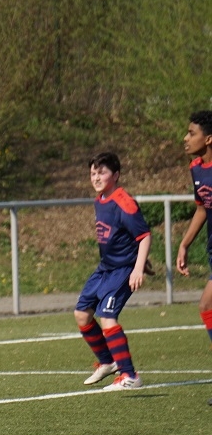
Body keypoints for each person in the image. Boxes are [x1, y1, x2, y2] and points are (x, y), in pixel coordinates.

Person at [76, 152, 150, 391]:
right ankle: (108, 361)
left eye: (102, 173)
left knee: (107, 317)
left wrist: (138, 267)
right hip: (105, 268)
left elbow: (144, 235)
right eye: (93, 173)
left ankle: (130, 376)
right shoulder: (100, 200)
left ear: (116, 175)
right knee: (82, 315)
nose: (96, 178)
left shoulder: (124, 202)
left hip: (122, 270)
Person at [175, 110, 212, 405]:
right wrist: (185, 244)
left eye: (191, 133)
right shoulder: (197, 168)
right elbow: (202, 208)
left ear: (208, 139)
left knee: (207, 305)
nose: (185, 138)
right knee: (207, 306)